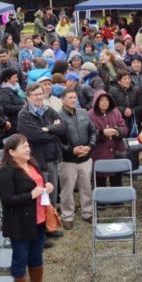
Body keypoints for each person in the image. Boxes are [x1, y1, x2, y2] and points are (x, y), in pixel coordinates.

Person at [0, 134, 53, 282]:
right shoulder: (7, 171)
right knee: (20, 259)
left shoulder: (32, 163)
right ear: (12, 152)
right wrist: (31, 195)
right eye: (23, 146)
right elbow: (7, 199)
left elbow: (38, 183)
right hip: (19, 223)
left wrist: (46, 187)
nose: (28, 149)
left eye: (28, 145)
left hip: (39, 219)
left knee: (36, 257)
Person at [17, 83, 66, 207]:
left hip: (52, 159)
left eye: (41, 94)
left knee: (53, 194)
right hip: (37, 160)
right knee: (42, 197)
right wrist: (55, 132)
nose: (39, 97)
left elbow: (63, 127)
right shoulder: (24, 115)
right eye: (35, 95)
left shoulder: (48, 110)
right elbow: (37, 136)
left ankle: (52, 217)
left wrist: (48, 128)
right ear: (28, 97)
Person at [57, 88, 97, 228]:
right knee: (67, 189)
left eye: (74, 97)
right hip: (67, 160)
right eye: (70, 97)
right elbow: (56, 140)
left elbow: (93, 131)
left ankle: (88, 212)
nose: (73, 100)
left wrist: (90, 146)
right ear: (62, 99)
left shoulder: (84, 113)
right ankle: (67, 215)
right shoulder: (57, 116)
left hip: (85, 158)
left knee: (86, 187)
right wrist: (71, 150)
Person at [88, 90, 128, 187]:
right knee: (100, 180)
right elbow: (88, 133)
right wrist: (102, 132)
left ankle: (117, 196)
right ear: (96, 101)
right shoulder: (90, 114)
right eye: (101, 100)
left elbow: (125, 128)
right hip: (99, 153)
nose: (105, 102)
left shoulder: (116, 112)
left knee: (117, 180)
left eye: (106, 100)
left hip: (116, 151)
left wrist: (117, 131)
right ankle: (100, 196)